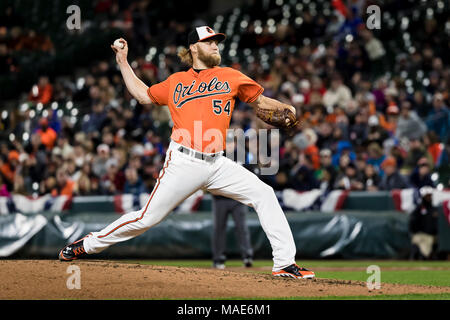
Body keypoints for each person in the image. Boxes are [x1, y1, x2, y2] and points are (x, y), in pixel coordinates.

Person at [58, 26, 315, 279]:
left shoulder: (231, 76)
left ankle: (284, 263)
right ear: (193, 47)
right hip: (184, 162)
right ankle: (87, 245)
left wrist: (286, 107)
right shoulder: (176, 81)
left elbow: (260, 101)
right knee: (147, 218)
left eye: (217, 41)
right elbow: (143, 95)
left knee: (264, 193)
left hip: (218, 164)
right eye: (209, 41)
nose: (215, 45)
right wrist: (123, 61)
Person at [211, 195, 254, 269]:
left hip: (237, 197)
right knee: (219, 229)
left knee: (242, 228)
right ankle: (218, 259)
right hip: (220, 198)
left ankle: (247, 257)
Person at [408, 186, 439, 260]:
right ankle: (416, 254)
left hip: (430, 236)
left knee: (426, 253)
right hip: (420, 234)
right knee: (419, 244)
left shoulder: (434, 209)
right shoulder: (418, 209)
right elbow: (412, 223)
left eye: (430, 196)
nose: (429, 198)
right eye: (427, 196)